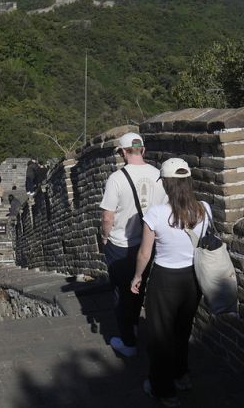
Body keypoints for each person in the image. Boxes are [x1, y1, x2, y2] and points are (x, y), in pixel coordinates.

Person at [131, 157, 209, 407]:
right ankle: (182, 376)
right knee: (182, 330)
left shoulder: (155, 213)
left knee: (161, 336)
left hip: (165, 280)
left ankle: (163, 389)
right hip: (193, 279)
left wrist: (137, 276)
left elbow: (145, 253)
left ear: (165, 183)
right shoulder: (204, 209)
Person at [99, 132, 166, 357]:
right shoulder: (158, 175)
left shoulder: (116, 179)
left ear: (122, 152)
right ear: (143, 150)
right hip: (148, 245)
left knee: (120, 293)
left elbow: (108, 217)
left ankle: (128, 342)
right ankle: (134, 325)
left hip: (120, 244)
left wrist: (104, 237)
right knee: (138, 287)